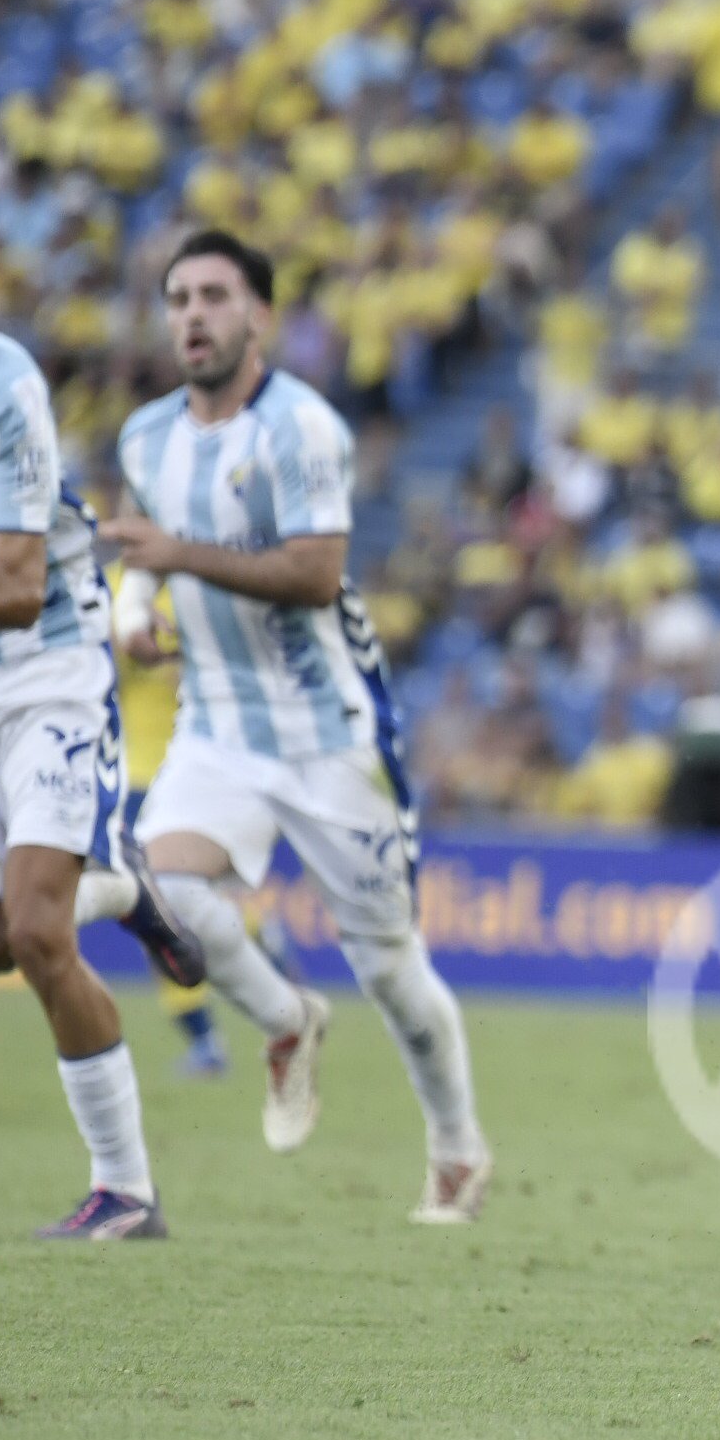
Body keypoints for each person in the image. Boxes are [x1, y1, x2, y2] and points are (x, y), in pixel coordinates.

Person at [97, 230, 493, 1226]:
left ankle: (456, 1149)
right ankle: (285, 1020)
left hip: (329, 738)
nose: (192, 314)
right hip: (218, 726)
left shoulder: (302, 428)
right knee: (163, 885)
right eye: (179, 297)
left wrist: (174, 558)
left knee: (391, 971)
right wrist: (135, 606)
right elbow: (149, 546)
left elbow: (314, 571)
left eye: (215, 296)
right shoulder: (147, 435)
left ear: (259, 315)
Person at [0, 193, 208, 1240]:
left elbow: (18, 586)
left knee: (33, 929)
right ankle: (115, 886)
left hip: (44, 664)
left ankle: (125, 1191)